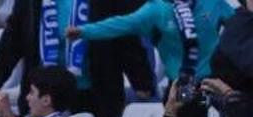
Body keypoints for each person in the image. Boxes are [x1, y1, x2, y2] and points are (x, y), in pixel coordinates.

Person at [0, 0, 155, 117]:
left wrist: (142, 81)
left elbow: (124, 35)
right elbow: (12, 41)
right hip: (43, 100)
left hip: (94, 96)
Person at [67, 0, 235, 83]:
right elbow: (121, 24)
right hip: (180, 86)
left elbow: (240, 24)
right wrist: (84, 31)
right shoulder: (157, 9)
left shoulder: (213, 2)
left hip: (216, 82)